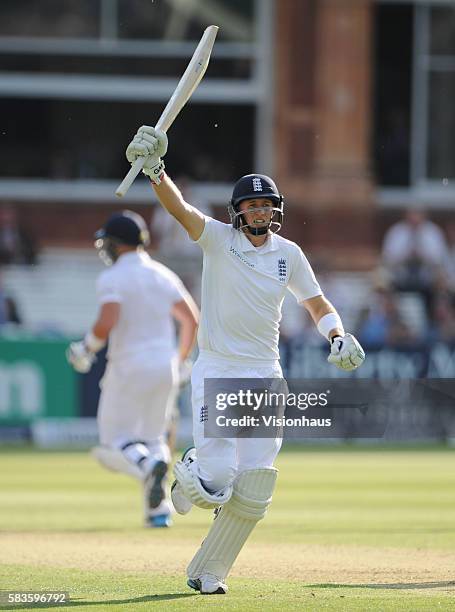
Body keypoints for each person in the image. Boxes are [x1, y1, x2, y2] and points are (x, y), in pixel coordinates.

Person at [124, 126, 365, 594]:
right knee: (215, 479)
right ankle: (193, 469)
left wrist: (337, 335)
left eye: (266, 205)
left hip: (265, 373)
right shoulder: (217, 240)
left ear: (275, 211)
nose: (259, 211)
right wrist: (156, 172)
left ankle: (209, 572)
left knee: (255, 486)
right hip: (218, 368)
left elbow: (317, 305)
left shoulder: (289, 255)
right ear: (237, 212)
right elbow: (181, 211)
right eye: (251, 205)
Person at [66, 210, 199, 528]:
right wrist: (179, 361)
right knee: (153, 438)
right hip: (164, 366)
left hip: (128, 366)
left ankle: (150, 466)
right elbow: (191, 319)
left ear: (114, 244)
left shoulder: (112, 278)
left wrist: (86, 348)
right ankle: (159, 511)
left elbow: (108, 320)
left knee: (114, 441)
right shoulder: (162, 274)